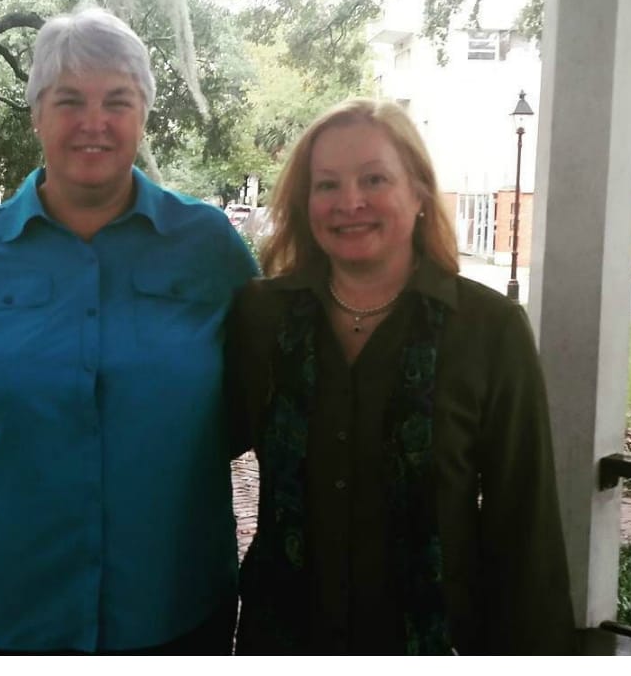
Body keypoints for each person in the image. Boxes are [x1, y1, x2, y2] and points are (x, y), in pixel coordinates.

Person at [0, 7, 255, 654]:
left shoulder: (209, 249)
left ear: (144, 114)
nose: (93, 122)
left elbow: (268, 405)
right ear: (37, 114)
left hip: (172, 619)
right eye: (69, 99)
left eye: (117, 101)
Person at [226, 99, 573, 654]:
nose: (350, 203)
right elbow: (202, 442)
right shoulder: (261, 316)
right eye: (327, 185)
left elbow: (524, 523)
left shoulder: (488, 329)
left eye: (374, 179)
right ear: (305, 201)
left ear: (418, 194)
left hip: (436, 641)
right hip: (284, 636)